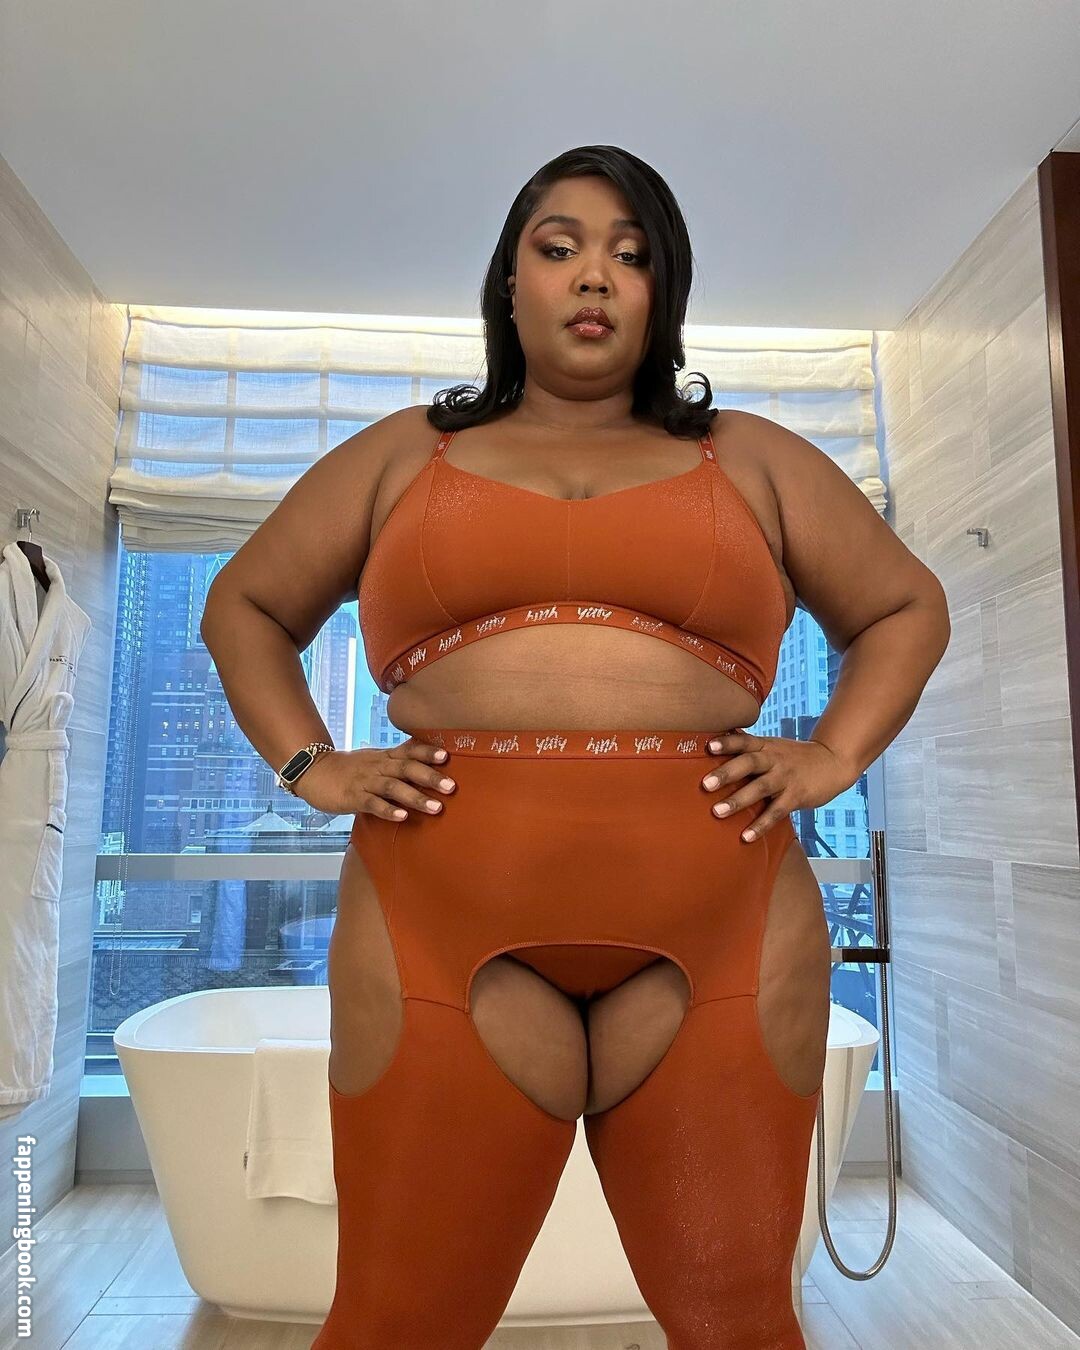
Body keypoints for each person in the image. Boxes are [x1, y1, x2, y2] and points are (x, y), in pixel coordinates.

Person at [201, 144, 950, 1349]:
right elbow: (244, 605)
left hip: (726, 931)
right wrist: (310, 764)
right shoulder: (404, 453)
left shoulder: (751, 457)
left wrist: (832, 757)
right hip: (437, 926)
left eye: (630, 255)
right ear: (512, 282)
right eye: (559, 248)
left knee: (743, 1325)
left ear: (663, 293)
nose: (594, 275)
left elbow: (906, 608)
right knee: (391, 1324)